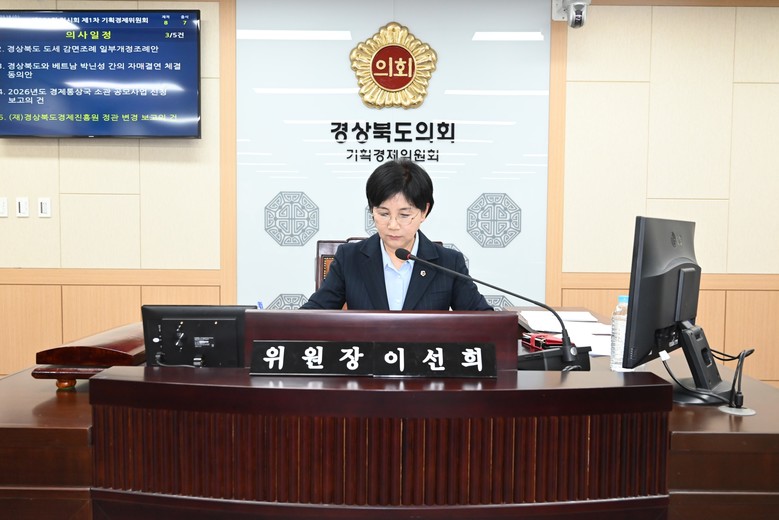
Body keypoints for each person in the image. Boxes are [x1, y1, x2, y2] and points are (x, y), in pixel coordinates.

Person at [301, 160, 492, 311]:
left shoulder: (448, 263)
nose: (392, 225)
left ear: (424, 211)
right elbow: (314, 314)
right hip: (367, 351)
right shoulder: (349, 258)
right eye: (384, 214)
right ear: (372, 210)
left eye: (404, 215)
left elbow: (482, 320)